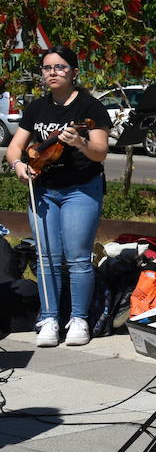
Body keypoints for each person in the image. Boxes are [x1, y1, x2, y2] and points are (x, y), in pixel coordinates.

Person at [4, 46, 112, 347]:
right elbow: (15, 148)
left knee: (77, 258)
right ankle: (49, 317)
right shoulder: (38, 108)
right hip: (43, 190)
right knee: (46, 258)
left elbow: (100, 152)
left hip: (80, 189)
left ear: (74, 72)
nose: (52, 72)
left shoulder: (90, 108)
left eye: (60, 67)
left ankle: (79, 319)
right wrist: (19, 165)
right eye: (47, 68)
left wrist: (79, 142)